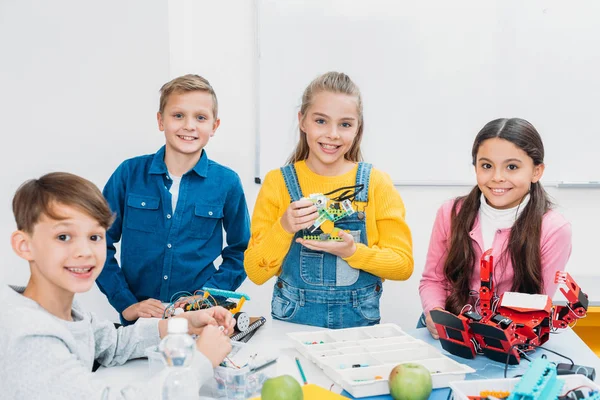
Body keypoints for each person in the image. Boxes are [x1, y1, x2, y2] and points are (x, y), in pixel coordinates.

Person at [0, 172, 234, 399]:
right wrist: (199, 362)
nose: (84, 252)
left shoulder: (63, 311)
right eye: (63, 237)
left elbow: (112, 343)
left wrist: (182, 324)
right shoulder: (31, 337)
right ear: (24, 245)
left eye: (95, 237)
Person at [244, 71, 414, 329]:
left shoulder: (376, 183)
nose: (333, 134)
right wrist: (284, 227)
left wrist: (353, 252)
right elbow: (256, 273)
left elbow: (403, 265)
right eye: (321, 121)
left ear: (358, 128)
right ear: (302, 121)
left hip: (357, 334)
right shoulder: (277, 183)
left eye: (345, 124)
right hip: (292, 330)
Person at [97, 74, 250, 324]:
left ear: (214, 126)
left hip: (198, 319)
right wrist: (126, 303)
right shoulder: (128, 174)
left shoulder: (227, 182)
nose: (189, 126)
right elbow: (97, 242)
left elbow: (242, 251)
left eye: (200, 118)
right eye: (178, 115)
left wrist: (206, 298)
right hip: (139, 321)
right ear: (160, 120)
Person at [418, 118, 572, 339]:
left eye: (512, 167)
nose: (497, 177)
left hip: (508, 339)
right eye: (486, 166)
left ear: (536, 172)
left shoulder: (554, 229)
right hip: (449, 332)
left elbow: (537, 304)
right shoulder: (451, 212)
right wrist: (435, 312)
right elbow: (433, 280)